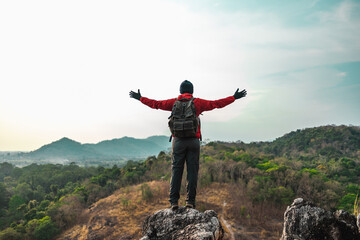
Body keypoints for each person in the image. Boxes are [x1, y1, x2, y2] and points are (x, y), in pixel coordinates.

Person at [129, 80, 246, 210]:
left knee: (176, 171)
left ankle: (173, 202)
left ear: (180, 91)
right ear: (192, 91)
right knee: (192, 172)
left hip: (178, 141)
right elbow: (216, 104)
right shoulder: (198, 102)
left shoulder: (173, 102)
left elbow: (155, 104)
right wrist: (234, 97)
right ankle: (190, 202)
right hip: (193, 142)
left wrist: (140, 98)